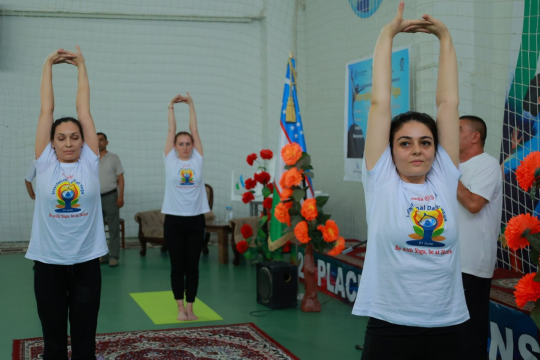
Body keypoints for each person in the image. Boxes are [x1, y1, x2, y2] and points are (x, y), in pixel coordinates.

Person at [351, 3, 468, 359]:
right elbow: (380, 105)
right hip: (390, 324)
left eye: (425, 142)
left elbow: (448, 103)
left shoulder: (444, 178)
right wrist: (387, 34)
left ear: (436, 149)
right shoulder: (382, 178)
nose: (416, 150)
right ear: (391, 150)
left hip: (447, 324)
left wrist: (445, 39)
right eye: (405, 143)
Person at [25, 46, 108, 359]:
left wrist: (81, 66)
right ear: (52, 142)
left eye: (75, 136)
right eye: (61, 137)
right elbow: (46, 110)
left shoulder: (89, 161)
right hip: (48, 263)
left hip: (87, 262)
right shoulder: (45, 162)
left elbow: (83, 110)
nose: (69, 142)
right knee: (54, 338)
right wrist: (47, 64)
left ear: (83, 141)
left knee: (85, 336)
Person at [457, 115, 503, 359]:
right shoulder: (455, 166)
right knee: (449, 332)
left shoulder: (487, 165)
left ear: (475, 137)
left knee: (469, 334)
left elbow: (474, 204)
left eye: (459, 129)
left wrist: (450, 175)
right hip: (449, 259)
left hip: (472, 263)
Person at [162, 92, 210, 321]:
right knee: (176, 267)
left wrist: (191, 104)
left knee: (193, 267)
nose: (184, 147)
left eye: (187, 143)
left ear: (192, 146)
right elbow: (172, 130)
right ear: (175, 146)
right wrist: (171, 106)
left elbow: (195, 129)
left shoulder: (197, 158)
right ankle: (179, 308)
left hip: (195, 220)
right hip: (173, 220)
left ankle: (191, 308)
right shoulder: (170, 159)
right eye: (180, 144)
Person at [97, 132, 125, 267]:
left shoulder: (114, 158)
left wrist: (120, 196)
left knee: (114, 227)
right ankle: (102, 256)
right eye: (96, 140)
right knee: (98, 229)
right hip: (94, 199)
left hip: (111, 197)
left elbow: (120, 178)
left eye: (101, 140)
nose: (99, 142)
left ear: (106, 142)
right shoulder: (90, 159)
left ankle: (114, 256)